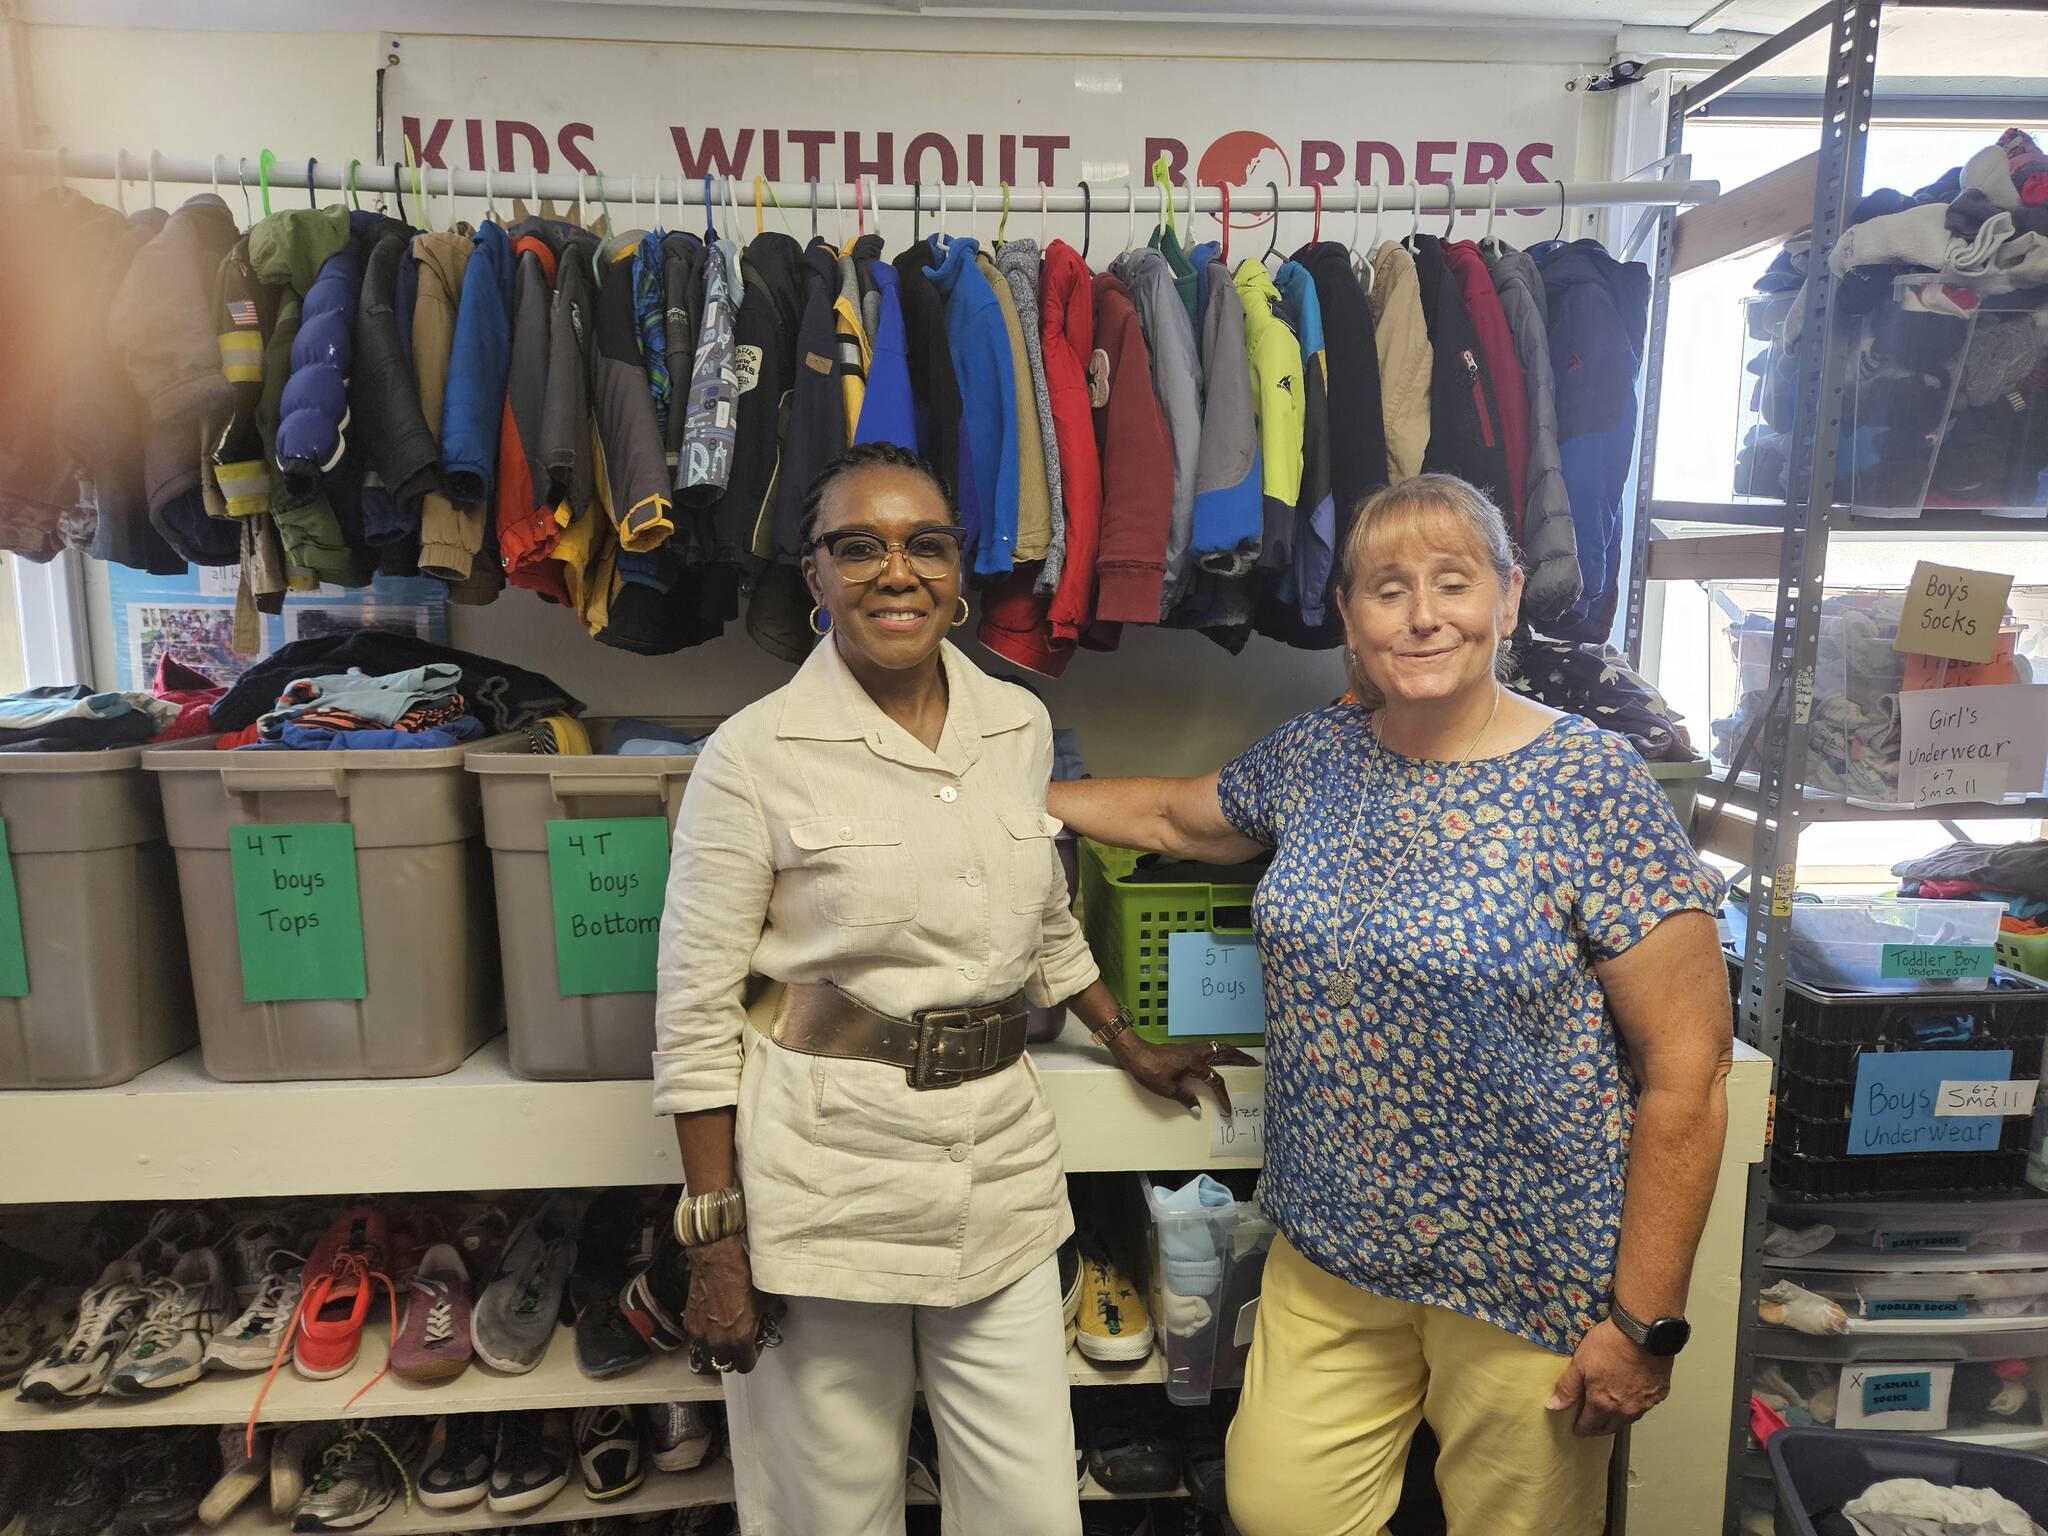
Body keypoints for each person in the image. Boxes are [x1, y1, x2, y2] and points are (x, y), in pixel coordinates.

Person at [1049, 473, 1732, 1536]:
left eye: (1451, 583)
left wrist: (1642, 1322)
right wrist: (977, 792)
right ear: (1347, 617)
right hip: (1331, 1251)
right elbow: (1176, 820)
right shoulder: (1316, 754)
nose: (1421, 615)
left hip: (1529, 1274)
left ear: (1506, 598)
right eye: (1387, 588)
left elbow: (1688, 1074)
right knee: (1278, 1507)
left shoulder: (1591, 784)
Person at [652, 441, 1249, 1536]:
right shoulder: (752, 755)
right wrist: (716, 1241)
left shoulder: (1013, 725)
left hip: (998, 1171)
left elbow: (1043, 917)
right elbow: (692, 1014)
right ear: (813, 575)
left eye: (923, 544)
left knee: (1028, 1507)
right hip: (830, 1178)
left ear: (959, 573)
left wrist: (1124, 1039)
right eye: (857, 546)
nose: (896, 571)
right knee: (830, 1513)